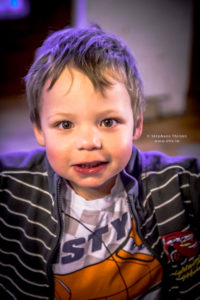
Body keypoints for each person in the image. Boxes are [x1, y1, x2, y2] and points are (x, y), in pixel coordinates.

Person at [0, 25, 200, 300]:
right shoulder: (11, 190)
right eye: (65, 124)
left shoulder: (177, 183)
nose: (89, 141)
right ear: (39, 130)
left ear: (137, 123)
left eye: (108, 121)